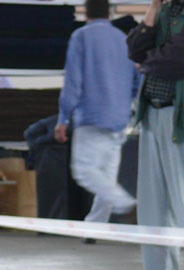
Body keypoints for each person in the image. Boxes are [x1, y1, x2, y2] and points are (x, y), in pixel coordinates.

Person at [54, 0, 140, 229]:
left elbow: (73, 82)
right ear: (110, 12)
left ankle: (128, 204)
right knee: (106, 176)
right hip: (119, 118)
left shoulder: (81, 37)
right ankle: (94, 227)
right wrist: (127, 107)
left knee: (84, 171)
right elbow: (136, 82)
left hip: (92, 116)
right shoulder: (122, 39)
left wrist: (63, 118)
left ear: (86, 11)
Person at [123, 0, 184, 270]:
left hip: (180, 121)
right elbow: (134, 48)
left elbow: (175, 59)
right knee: (153, 207)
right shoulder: (166, 10)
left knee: (183, 204)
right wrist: (152, 13)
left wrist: (146, 60)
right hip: (153, 116)